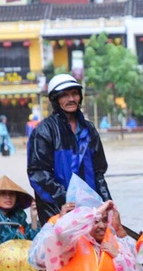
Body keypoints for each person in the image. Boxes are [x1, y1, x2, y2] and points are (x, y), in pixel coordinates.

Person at [27, 73, 111, 225]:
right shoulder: (44, 131)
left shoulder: (89, 129)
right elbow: (38, 174)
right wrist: (66, 199)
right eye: (64, 95)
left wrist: (107, 203)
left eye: (74, 94)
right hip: (59, 210)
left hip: (91, 209)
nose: (71, 99)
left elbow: (99, 173)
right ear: (55, 100)